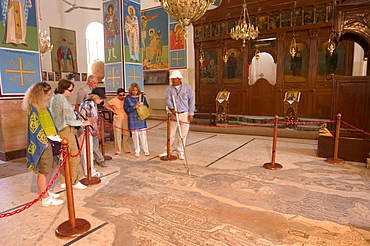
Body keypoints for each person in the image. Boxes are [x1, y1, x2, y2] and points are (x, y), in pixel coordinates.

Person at [22, 82, 64, 207]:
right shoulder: (34, 108)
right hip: (43, 143)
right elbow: (34, 128)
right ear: (40, 95)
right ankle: (44, 198)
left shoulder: (43, 106)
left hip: (52, 140)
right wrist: (42, 142)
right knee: (43, 170)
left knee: (51, 167)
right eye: (48, 95)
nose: (50, 97)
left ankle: (46, 190)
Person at [51, 79, 90, 190]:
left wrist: (71, 107)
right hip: (66, 129)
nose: (72, 92)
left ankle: (64, 180)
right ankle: (74, 181)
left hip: (59, 129)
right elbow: (68, 117)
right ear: (64, 89)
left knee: (64, 156)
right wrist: (82, 123)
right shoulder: (62, 99)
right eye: (70, 90)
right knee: (74, 156)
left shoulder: (55, 97)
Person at [159, 70, 195, 160]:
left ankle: (180, 152)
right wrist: (172, 109)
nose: (172, 80)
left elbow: (191, 101)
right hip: (174, 114)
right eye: (172, 79)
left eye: (174, 79)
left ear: (179, 79)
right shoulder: (169, 89)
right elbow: (168, 100)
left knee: (183, 135)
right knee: (171, 134)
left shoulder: (187, 87)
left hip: (184, 113)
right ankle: (168, 151)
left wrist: (191, 113)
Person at [79, 88, 107, 175]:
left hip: (88, 129)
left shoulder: (92, 103)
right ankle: (89, 172)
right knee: (87, 151)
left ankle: (91, 169)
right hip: (84, 130)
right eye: (100, 98)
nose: (102, 100)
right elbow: (92, 120)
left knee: (89, 150)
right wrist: (97, 130)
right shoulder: (89, 104)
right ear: (95, 97)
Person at [124, 83, 149, 157]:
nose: (135, 92)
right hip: (132, 118)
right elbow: (126, 109)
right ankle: (136, 150)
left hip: (141, 117)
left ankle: (146, 150)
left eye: (136, 90)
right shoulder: (128, 98)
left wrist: (142, 106)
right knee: (135, 135)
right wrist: (134, 107)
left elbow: (147, 105)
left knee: (143, 134)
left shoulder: (142, 97)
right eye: (133, 90)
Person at [104, 88, 131, 156]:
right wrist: (113, 111)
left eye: (123, 95)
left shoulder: (126, 100)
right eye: (120, 95)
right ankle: (118, 150)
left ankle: (126, 149)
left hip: (125, 118)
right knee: (117, 135)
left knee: (126, 134)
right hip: (117, 119)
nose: (122, 96)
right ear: (117, 94)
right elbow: (105, 105)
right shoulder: (114, 100)